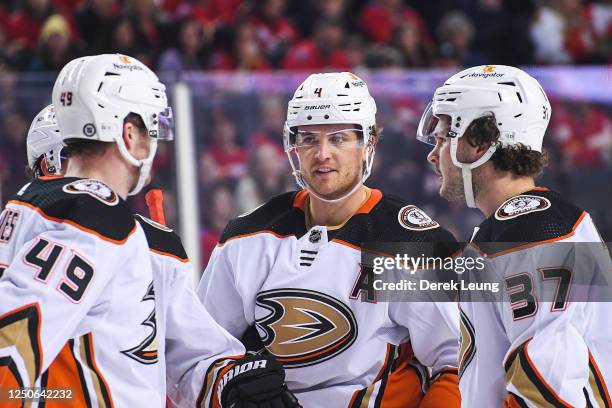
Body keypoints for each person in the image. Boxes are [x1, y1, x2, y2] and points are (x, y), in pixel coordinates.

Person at [0, 54, 299, 408]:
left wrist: (231, 379)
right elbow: (13, 346)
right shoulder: (94, 218)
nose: (155, 144)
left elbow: (186, 355)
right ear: (128, 133)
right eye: (151, 129)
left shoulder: (30, 211)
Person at [198, 72, 461, 407]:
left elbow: (458, 364)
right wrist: (227, 384)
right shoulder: (246, 236)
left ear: (368, 144)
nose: (322, 154)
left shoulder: (415, 245)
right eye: (309, 139)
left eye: (338, 139)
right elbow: (201, 352)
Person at [418, 64, 612, 407]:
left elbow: (548, 392)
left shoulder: (529, 232)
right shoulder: (532, 222)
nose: (434, 154)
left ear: (479, 144)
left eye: (444, 137)